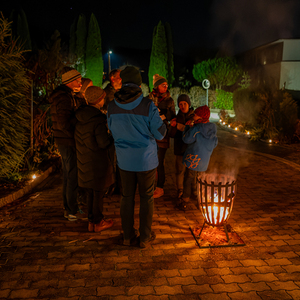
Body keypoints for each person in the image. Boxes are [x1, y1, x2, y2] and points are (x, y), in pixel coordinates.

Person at [107, 66, 167, 248]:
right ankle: (144, 237)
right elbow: (161, 134)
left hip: (124, 161)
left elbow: (111, 130)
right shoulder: (147, 105)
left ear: (122, 81)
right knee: (146, 198)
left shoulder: (111, 106)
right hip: (146, 161)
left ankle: (127, 236)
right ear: (139, 83)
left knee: (126, 197)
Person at [49, 66, 87, 221]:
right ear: (70, 82)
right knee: (72, 175)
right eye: (78, 80)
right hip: (68, 141)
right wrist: (76, 135)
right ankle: (71, 210)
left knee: (69, 174)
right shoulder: (64, 98)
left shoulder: (67, 95)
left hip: (65, 140)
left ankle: (70, 207)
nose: (80, 83)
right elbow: (64, 122)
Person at [74, 86, 115, 232]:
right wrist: (113, 137)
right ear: (99, 100)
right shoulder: (97, 120)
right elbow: (103, 143)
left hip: (84, 160)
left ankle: (91, 221)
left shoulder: (80, 116)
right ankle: (98, 222)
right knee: (98, 193)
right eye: (102, 97)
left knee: (90, 192)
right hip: (97, 162)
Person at [177, 105, 218, 211]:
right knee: (200, 180)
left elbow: (186, 139)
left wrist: (186, 128)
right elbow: (215, 142)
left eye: (195, 114)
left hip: (193, 160)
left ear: (200, 117)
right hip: (204, 160)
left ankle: (185, 199)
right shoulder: (212, 128)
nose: (193, 116)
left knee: (189, 178)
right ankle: (200, 199)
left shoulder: (196, 128)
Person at [148, 74, 176, 199]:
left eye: (166, 85)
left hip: (162, 133)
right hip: (149, 133)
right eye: (163, 85)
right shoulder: (149, 98)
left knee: (159, 162)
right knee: (149, 161)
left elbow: (172, 117)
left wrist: (163, 116)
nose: (166, 87)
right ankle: (149, 185)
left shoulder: (169, 100)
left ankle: (160, 188)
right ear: (156, 86)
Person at [169, 94, 195, 198]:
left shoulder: (195, 117)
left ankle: (193, 190)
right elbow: (171, 135)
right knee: (180, 171)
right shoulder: (176, 118)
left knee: (192, 172)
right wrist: (173, 126)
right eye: (180, 104)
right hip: (179, 149)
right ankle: (180, 190)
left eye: (185, 103)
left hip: (192, 149)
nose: (183, 106)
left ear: (189, 104)